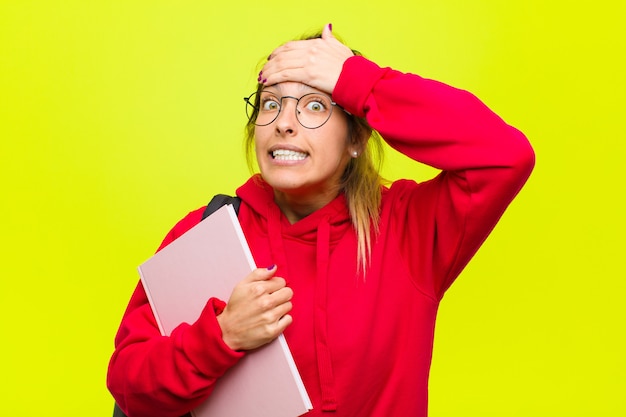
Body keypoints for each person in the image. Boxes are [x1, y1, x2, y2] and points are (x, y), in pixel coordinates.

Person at [107, 23, 535, 417]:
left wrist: (357, 80)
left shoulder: (409, 229)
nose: (284, 125)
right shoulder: (209, 233)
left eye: (314, 105)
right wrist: (221, 337)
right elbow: (128, 384)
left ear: (357, 137)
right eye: (270, 104)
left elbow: (504, 156)